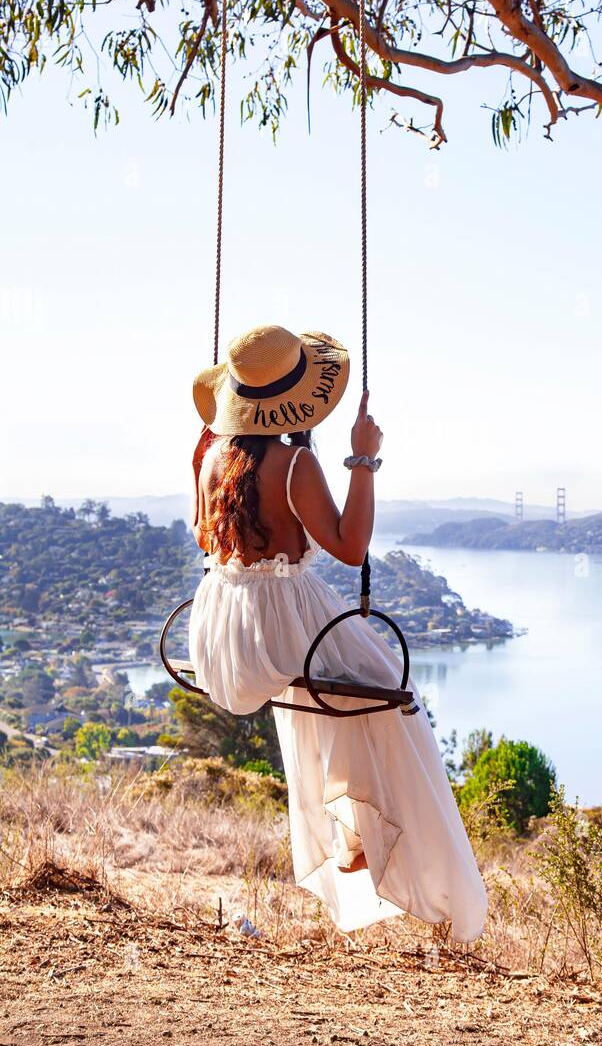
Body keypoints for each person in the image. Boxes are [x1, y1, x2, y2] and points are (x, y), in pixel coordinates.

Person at [187, 323, 487, 942]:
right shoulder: (294, 462)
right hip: (283, 620)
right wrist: (363, 458)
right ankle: (367, 839)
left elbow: (203, 537)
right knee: (387, 698)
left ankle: (353, 832)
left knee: (337, 697)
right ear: (296, 402)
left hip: (223, 624)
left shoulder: (212, 453)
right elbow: (351, 548)